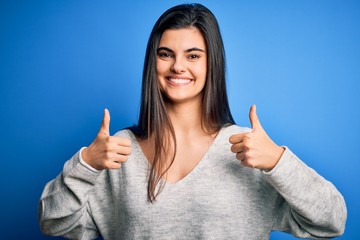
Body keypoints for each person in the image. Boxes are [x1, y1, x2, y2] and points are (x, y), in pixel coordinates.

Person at [39, 3, 346, 239]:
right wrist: (87, 164)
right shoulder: (117, 154)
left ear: (212, 62)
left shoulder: (250, 151)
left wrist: (278, 161)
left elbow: (332, 220)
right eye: (165, 54)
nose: (178, 67)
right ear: (153, 62)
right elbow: (53, 222)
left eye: (193, 55)